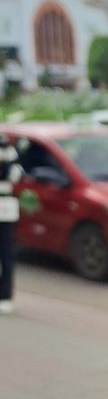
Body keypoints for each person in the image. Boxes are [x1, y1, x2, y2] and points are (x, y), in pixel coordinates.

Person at [0, 134, 21, 314]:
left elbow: (13, 174)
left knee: (6, 256)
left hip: (6, 210)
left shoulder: (9, 151)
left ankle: (5, 296)